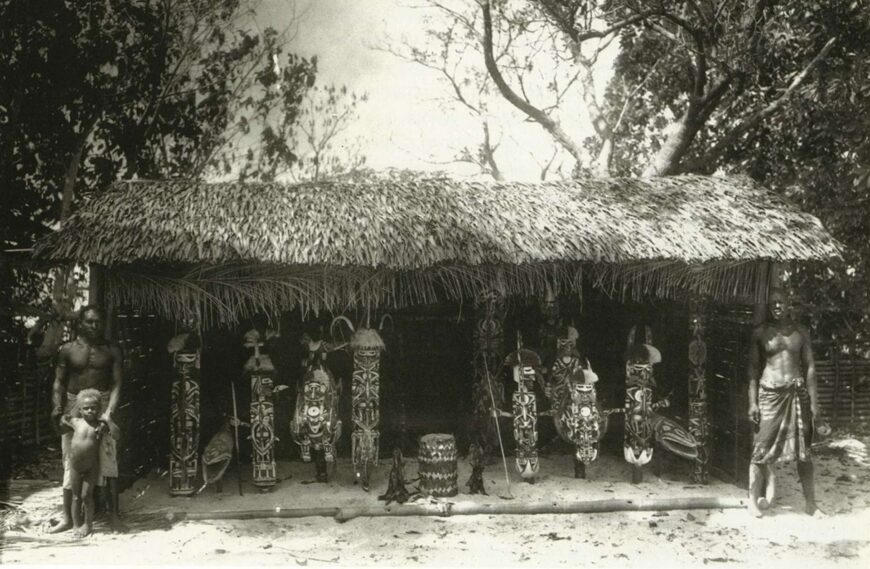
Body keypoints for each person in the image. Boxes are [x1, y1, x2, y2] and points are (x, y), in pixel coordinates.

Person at [747, 288, 824, 517]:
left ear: (788, 304)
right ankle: (752, 501)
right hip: (769, 395)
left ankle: (811, 504)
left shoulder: (801, 332)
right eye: (773, 304)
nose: (777, 307)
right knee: (761, 448)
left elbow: (810, 367)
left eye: (780, 302)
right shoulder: (760, 333)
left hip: (796, 394)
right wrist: (752, 403)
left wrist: (814, 403)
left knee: (804, 452)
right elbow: (752, 369)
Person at [50, 305, 125, 533]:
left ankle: (113, 516)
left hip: (100, 404)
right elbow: (59, 382)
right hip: (74, 405)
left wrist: (109, 413)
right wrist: (57, 407)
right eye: (90, 321)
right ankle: (68, 518)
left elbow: (117, 384)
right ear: (80, 323)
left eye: (98, 322)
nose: (95, 326)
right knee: (70, 459)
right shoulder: (67, 350)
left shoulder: (112, 350)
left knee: (108, 460)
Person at [59, 388, 120, 538]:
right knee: (75, 496)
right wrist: (61, 418)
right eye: (86, 408)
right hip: (75, 466)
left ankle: (88, 525)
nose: (90, 411)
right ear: (80, 409)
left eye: (93, 408)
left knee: (87, 496)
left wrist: (108, 420)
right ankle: (75, 525)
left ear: (99, 409)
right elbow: (61, 426)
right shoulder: (76, 422)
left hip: (91, 467)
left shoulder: (101, 426)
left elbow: (117, 434)